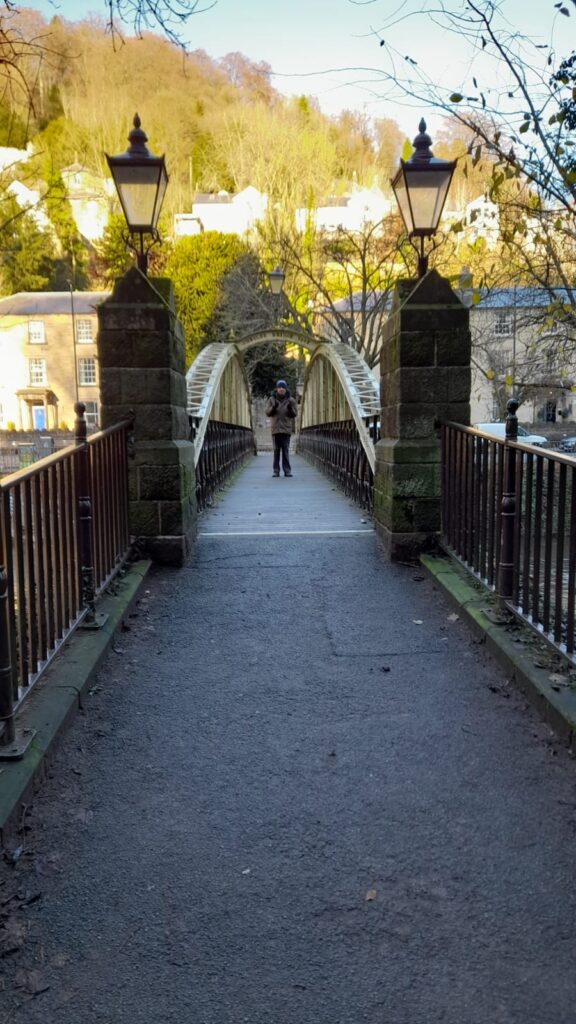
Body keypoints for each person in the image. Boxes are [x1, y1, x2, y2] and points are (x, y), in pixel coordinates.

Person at [265, 379, 297, 477]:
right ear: (277, 389)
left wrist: (290, 408)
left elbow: (294, 414)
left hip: (286, 429)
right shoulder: (272, 399)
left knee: (286, 451)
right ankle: (276, 471)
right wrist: (273, 407)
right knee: (276, 451)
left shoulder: (291, 400)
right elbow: (267, 413)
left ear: (285, 388)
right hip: (276, 429)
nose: (281, 389)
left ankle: (287, 471)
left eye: (283, 387)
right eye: (279, 387)